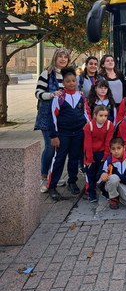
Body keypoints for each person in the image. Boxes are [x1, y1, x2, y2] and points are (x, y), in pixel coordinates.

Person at [47, 67, 90, 201]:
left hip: (78, 133)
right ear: (63, 82)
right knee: (59, 159)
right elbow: (52, 117)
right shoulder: (59, 97)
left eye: (73, 81)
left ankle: (72, 181)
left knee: (74, 158)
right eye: (68, 81)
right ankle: (52, 186)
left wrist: (89, 127)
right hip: (63, 134)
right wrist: (54, 136)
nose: (71, 83)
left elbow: (85, 114)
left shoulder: (81, 96)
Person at [35, 47, 70, 193]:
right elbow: (38, 93)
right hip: (47, 116)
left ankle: (53, 175)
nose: (63, 59)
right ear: (55, 58)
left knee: (59, 147)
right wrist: (51, 95)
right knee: (49, 147)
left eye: (65, 57)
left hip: (63, 117)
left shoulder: (68, 74)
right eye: (60, 56)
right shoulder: (47, 73)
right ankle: (43, 177)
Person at [98, 137, 126, 210]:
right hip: (111, 184)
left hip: (123, 185)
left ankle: (120, 197)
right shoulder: (109, 160)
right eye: (113, 149)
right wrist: (102, 174)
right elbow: (102, 172)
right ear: (110, 150)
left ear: (124, 148)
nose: (116, 151)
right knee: (114, 178)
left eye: (119, 148)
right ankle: (113, 198)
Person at [83, 105, 114, 203]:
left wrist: (106, 155)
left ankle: (103, 190)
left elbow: (108, 141)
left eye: (105, 115)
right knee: (90, 174)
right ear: (95, 115)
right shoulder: (89, 126)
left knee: (102, 173)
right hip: (90, 153)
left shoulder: (109, 125)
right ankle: (91, 193)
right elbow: (87, 143)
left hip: (102, 152)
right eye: (101, 115)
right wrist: (89, 158)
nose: (103, 118)